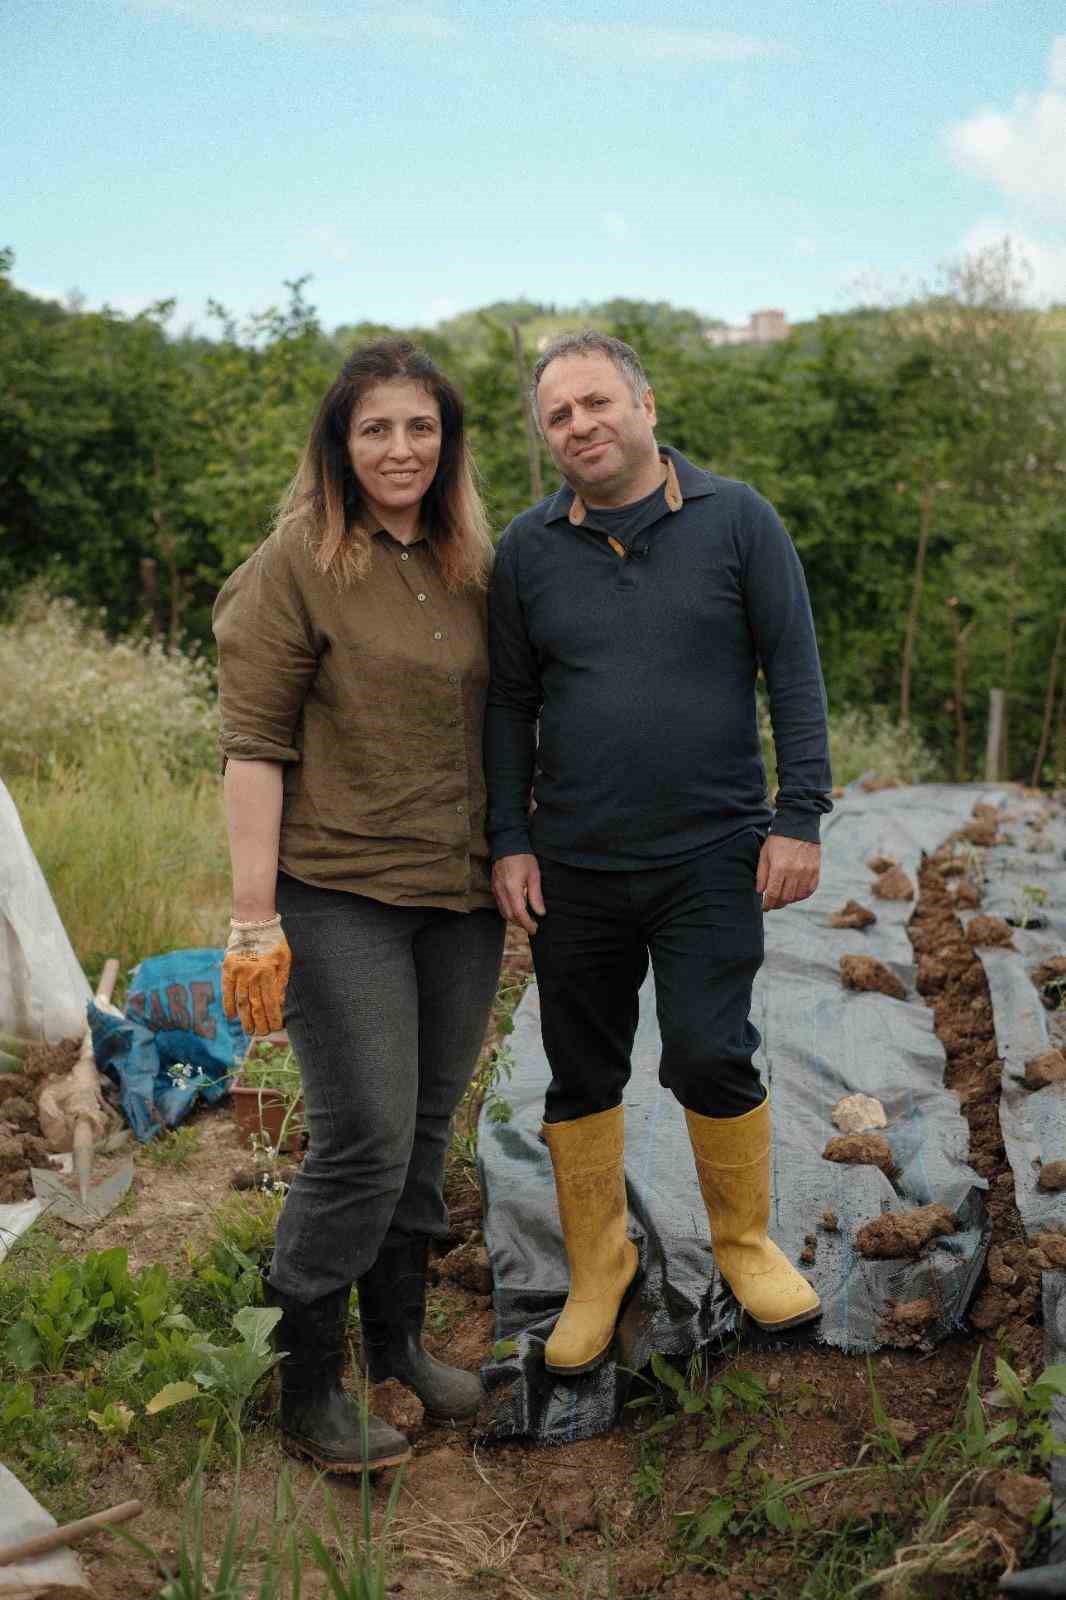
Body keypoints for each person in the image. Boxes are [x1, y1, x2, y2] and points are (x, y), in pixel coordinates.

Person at [485, 331, 832, 1376]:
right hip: (575, 862)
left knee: (708, 1049)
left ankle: (744, 1243)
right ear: (545, 437)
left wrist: (800, 816)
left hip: (712, 852)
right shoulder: (527, 549)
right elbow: (507, 705)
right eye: (559, 415)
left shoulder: (738, 520)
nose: (581, 425)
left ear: (643, 402)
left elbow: (795, 670)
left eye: (597, 402)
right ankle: (599, 1267)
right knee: (579, 1066)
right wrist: (509, 838)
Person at [213, 339, 504, 1471]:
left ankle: (401, 1349)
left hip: (460, 895)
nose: (399, 448)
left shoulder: (467, 561)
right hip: (336, 893)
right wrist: (253, 915)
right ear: (340, 443)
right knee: (363, 1137)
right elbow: (252, 749)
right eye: (375, 427)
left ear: (447, 443)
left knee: (426, 1134)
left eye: (420, 427)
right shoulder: (291, 566)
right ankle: (309, 1381)